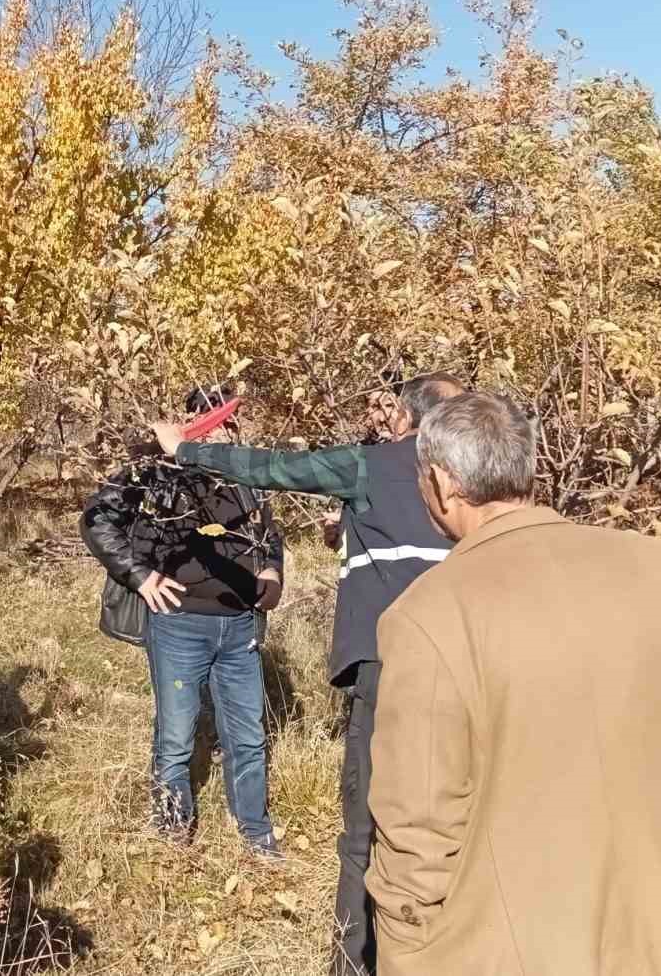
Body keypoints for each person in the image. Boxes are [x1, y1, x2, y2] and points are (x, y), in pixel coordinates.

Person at [367, 393, 661, 975]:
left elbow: (417, 819)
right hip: (649, 925)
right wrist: (649, 836)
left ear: (441, 483)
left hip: (501, 942)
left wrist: (403, 946)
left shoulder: (427, 615)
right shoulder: (659, 566)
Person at [153, 372, 462, 974]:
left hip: (388, 664)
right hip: (471, 666)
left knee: (367, 827)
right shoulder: (479, 478)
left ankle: (355, 961)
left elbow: (274, 468)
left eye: (393, 411)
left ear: (406, 417)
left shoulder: (376, 464)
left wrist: (185, 448)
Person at [84, 387, 286, 856]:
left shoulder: (244, 475)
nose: (229, 430)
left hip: (239, 627)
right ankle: (174, 832)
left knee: (249, 735)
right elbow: (97, 519)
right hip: (179, 624)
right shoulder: (155, 474)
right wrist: (139, 574)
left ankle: (256, 833)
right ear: (194, 425)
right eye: (217, 421)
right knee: (177, 735)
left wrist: (272, 570)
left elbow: (267, 534)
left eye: (232, 422)